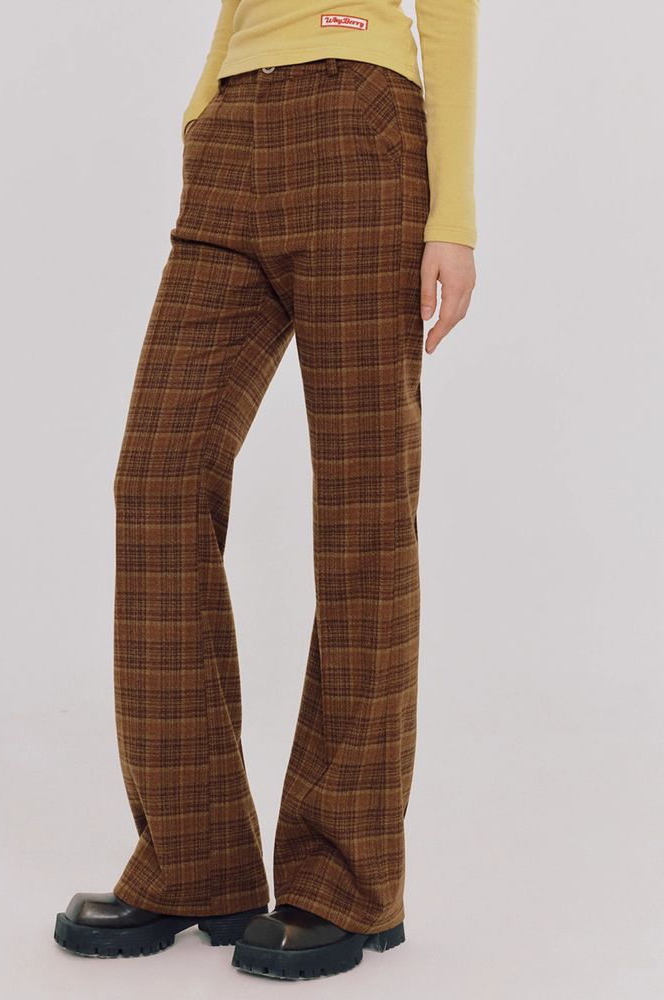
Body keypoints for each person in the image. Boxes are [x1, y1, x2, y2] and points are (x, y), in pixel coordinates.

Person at [53, 0, 478, 981]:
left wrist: (452, 218)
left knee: (364, 510)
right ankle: (195, 858)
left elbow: (451, 11)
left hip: (359, 119)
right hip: (235, 132)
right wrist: (206, 105)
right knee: (158, 479)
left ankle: (345, 877)